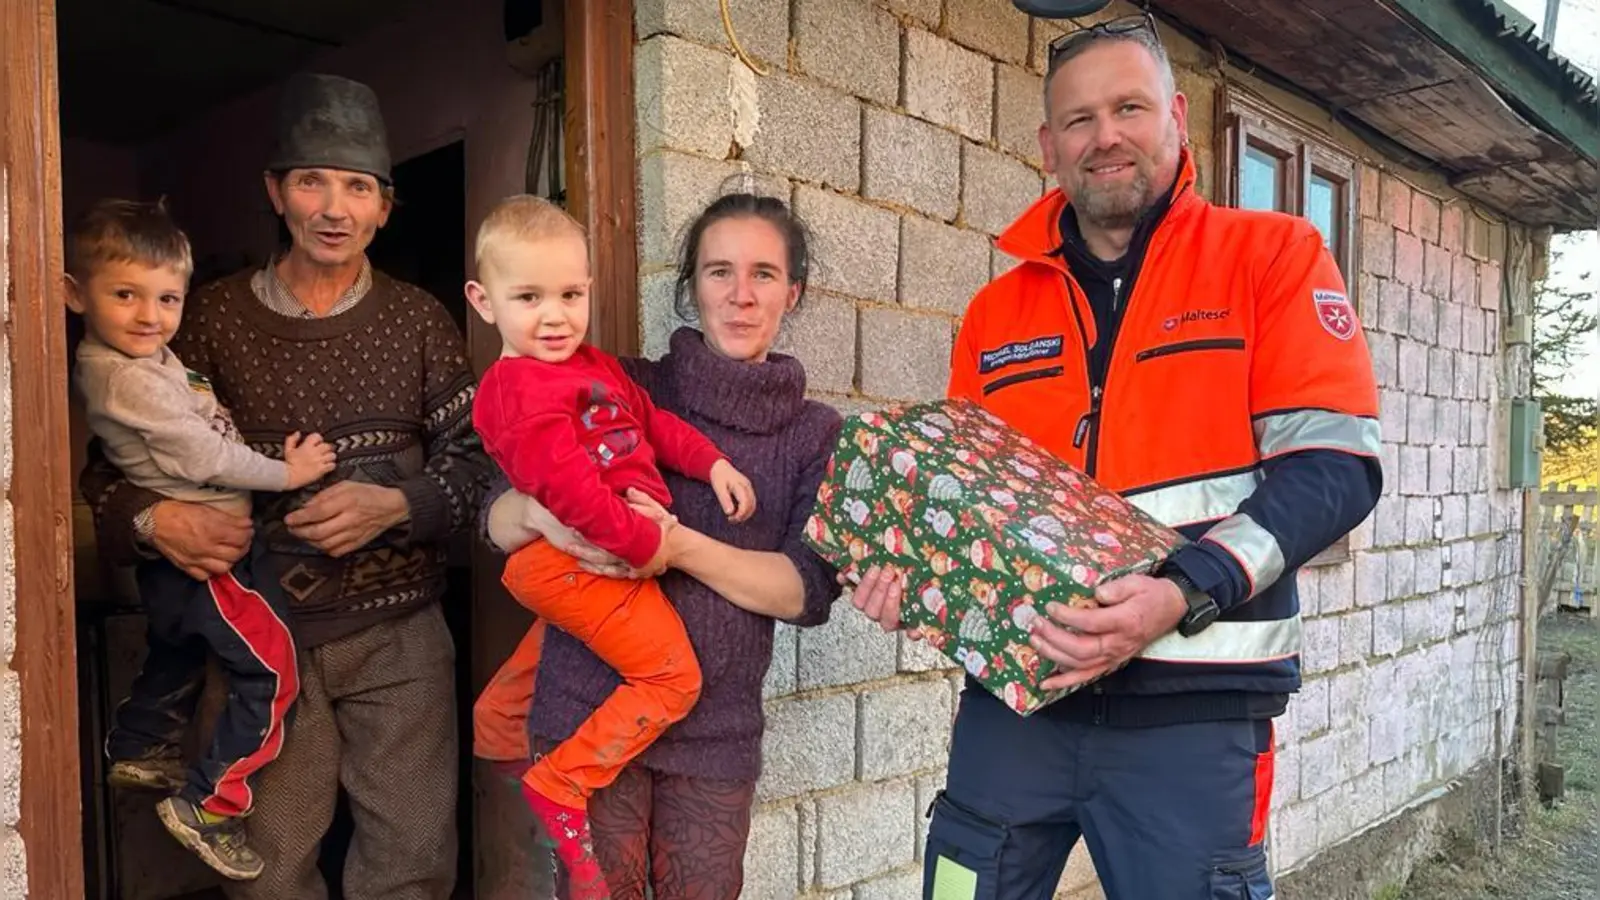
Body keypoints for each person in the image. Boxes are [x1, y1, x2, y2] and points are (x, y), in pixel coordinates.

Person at [850, 13, 1383, 900]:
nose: (1106, 137)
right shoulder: (996, 313)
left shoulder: (1273, 259)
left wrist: (1181, 588)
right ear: (1047, 144)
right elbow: (965, 503)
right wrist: (919, 583)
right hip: (1016, 701)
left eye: (1128, 107)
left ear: (1176, 115)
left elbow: (1335, 468)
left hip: (1194, 715)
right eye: (1079, 119)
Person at [79, 73, 494, 900]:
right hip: (261, 642)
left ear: (384, 206)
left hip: (401, 641)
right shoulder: (204, 318)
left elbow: (481, 463)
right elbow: (104, 471)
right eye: (311, 180)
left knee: (410, 866)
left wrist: (398, 506)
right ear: (276, 192)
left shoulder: (420, 321)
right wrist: (157, 521)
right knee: (266, 874)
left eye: (357, 187)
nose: (334, 207)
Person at [473, 189, 843, 900]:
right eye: (718, 272)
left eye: (763, 274)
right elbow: (495, 517)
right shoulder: (622, 381)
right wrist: (546, 516)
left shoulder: (814, 433)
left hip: (715, 738)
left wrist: (672, 548)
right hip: (586, 709)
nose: (740, 295)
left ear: (791, 292)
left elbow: (806, 590)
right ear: (690, 287)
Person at [69, 198, 334, 881]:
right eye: (124, 294)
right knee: (274, 673)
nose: (149, 315)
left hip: (185, 565)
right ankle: (210, 806)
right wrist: (287, 473)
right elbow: (205, 459)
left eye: (166, 297)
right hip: (213, 555)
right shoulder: (127, 375)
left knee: (178, 649)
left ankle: (138, 742)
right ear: (74, 294)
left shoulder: (145, 360)